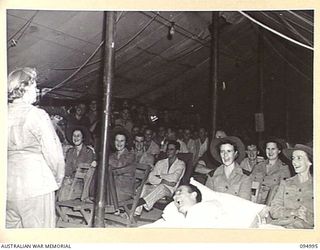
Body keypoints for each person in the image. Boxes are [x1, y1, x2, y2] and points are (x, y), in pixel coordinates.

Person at [7, 67, 65, 228]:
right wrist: (57, 178)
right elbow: (54, 155)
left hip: (8, 187)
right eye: (34, 86)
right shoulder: (37, 115)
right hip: (36, 184)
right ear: (23, 88)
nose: (37, 90)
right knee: (39, 239)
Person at [135, 140, 186, 215]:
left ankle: (142, 202)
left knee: (162, 187)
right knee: (144, 187)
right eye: (168, 149)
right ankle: (136, 212)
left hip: (169, 191)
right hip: (155, 187)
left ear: (177, 151)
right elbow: (151, 178)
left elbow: (175, 178)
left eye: (171, 149)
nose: (168, 151)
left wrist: (160, 176)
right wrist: (165, 181)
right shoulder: (160, 162)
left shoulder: (181, 164)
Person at [269, 144, 313, 229]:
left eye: (299, 158)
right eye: (293, 158)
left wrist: (307, 216)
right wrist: (293, 212)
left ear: (309, 162)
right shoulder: (285, 183)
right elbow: (273, 210)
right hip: (281, 226)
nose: (294, 162)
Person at [205, 136, 252, 200]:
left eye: (229, 151)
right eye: (222, 151)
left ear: (235, 154)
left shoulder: (245, 177)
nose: (225, 155)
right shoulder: (212, 176)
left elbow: (244, 203)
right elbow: (207, 200)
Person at [58, 127, 97, 201]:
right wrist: (67, 177)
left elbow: (86, 172)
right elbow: (67, 168)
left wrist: (72, 177)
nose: (76, 138)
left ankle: (62, 209)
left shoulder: (88, 152)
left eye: (78, 136)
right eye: (74, 136)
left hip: (82, 183)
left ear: (83, 138)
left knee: (65, 187)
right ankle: (60, 208)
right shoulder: (70, 151)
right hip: (70, 181)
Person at [251, 138, 291, 204]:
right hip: (254, 202)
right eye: (268, 149)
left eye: (273, 149)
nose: (270, 152)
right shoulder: (258, 166)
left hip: (272, 204)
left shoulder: (284, 169)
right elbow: (249, 183)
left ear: (279, 151)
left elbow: (284, 192)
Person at [108, 128, 135, 202]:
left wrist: (104, 160)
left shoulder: (130, 155)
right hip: (113, 186)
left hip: (124, 190)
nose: (119, 143)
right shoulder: (112, 155)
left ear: (126, 142)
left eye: (122, 141)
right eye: (117, 140)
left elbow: (118, 164)